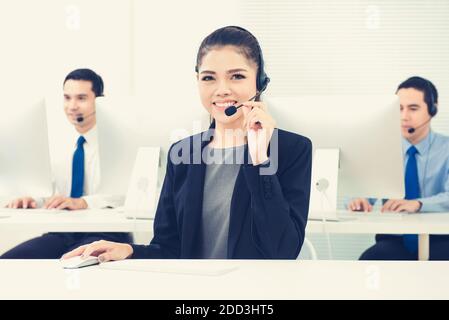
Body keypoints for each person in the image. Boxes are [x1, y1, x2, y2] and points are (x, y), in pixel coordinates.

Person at [63, 26, 312, 262]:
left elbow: (282, 251)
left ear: (259, 82)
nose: (221, 90)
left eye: (236, 76)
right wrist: (129, 250)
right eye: (209, 78)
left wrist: (260, 160)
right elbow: (170, 248)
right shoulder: (183, 153)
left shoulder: (292, 150)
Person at [1, 69, 131, 259]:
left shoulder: (120, 143)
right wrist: (33, 200)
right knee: (8, 263)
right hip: (63, 231)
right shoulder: (60, 146)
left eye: (81, 98)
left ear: (99, 100)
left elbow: (130, 193)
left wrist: (85, 202)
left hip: (105, 233)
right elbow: (55, 196)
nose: (72, 106)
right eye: (67, 98)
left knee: (72, 267)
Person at [348, 76, 449, 260]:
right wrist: (359, 200)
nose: (404, 117)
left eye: (413, 108)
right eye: (399, 109)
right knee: (369, 262)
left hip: (441, 239)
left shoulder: (446, 149)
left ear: (433, 108)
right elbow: (362, 189)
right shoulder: (382, 149)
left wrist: (418, 204)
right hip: (394, 239)